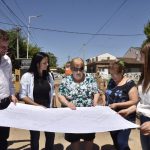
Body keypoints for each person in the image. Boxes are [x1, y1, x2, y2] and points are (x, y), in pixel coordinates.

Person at [58, 57, 99, 150]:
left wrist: (95, 101)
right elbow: (60, 95)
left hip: (88, 117)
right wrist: (67, 103)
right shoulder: (66, 80)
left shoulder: (90, 79)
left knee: (89, 139)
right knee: (74, 140)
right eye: (75, 69)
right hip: (72, 118)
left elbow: (96, 92)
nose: (78, 72)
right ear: (71, 68)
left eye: (81, 69)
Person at [19, 52, 55, 150]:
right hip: (34, 112)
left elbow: (53, 94)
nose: (47, 65)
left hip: (48, 111)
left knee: (51, 135)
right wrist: (37, 106)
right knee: (35, 137)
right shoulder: (27, 76)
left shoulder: (49, 76)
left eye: (47, 62)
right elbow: (22, 95)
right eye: (44, 63)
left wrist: (53, 109)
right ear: (37, 63)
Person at [105, 61, 138, 150]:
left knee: (122, 143)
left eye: (116, 74)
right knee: (115, 141)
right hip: (112, 117)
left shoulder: (129, 84)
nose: (114, 77)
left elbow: (134, 100)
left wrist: (117, 104)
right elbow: (108, 93)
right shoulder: (111, 81)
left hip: (125, 116)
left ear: (122, 72)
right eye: (111, 74)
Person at [0, 29, 18, 150]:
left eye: (6, 47)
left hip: (5, 103)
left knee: (3, 138)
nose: (5, 50)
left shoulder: (7, 60)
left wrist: (12, 94)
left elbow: (9, 80)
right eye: (2, 47)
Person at [136, 43, 150, 150]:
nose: (139, 57)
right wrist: (131, 109)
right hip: (144, 120)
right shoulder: (144, 76)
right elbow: (143, 100)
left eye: (142, 54)